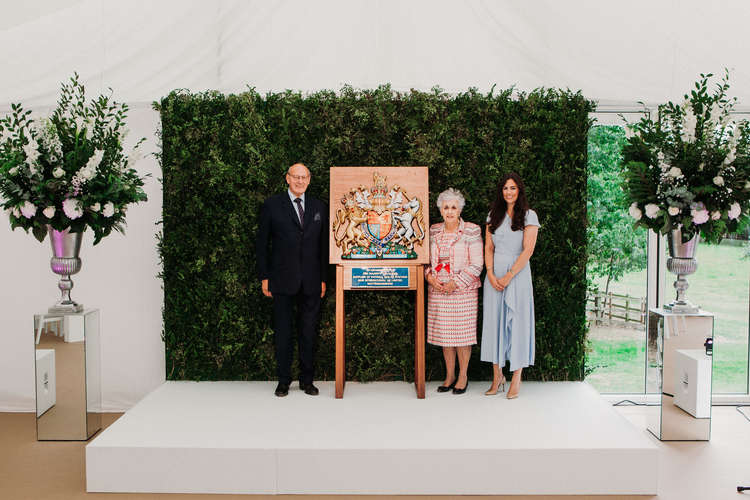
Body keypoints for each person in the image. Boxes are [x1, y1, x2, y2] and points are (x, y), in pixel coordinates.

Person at [256, 163, 328, 397]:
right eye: (295, 177)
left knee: (309, 332)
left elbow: (324, 247)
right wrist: (264, 276)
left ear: (309, 179)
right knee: (283, 333)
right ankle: (283, 381)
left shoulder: (319, 206)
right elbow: (262, 244)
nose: (299, 181)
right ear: (287, 178)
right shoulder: (271, 205)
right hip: (281, 280)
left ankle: (307, 380)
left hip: (311, 281)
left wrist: (323, 279)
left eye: (304, 177)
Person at [480, 173, 539, 399]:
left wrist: (509, 276)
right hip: (494, 277)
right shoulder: (492, 215)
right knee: (494, 324)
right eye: (505, 188)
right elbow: (488, 248)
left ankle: (516, 376)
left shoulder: (529, 216)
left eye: (512, 188)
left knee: (518, 324)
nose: (508, 192)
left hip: (519, 276)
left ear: (519, 190)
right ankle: (497, 376)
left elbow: (528, 250)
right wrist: (492, 275)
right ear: (500, 191)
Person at [425, 188, 483, 394]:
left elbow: (477, 263)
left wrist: (455, 282)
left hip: (462, 292)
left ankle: (463, 376)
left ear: (460, 210)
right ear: (441, 210)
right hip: (438, 290)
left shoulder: (472, 230)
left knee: (462, 336)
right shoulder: (433, 230)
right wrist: (429, 277)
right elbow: (424, 260)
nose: (449, 211)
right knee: (445, 336)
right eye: (446, 207)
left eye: (453, 207)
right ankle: (449, 376)